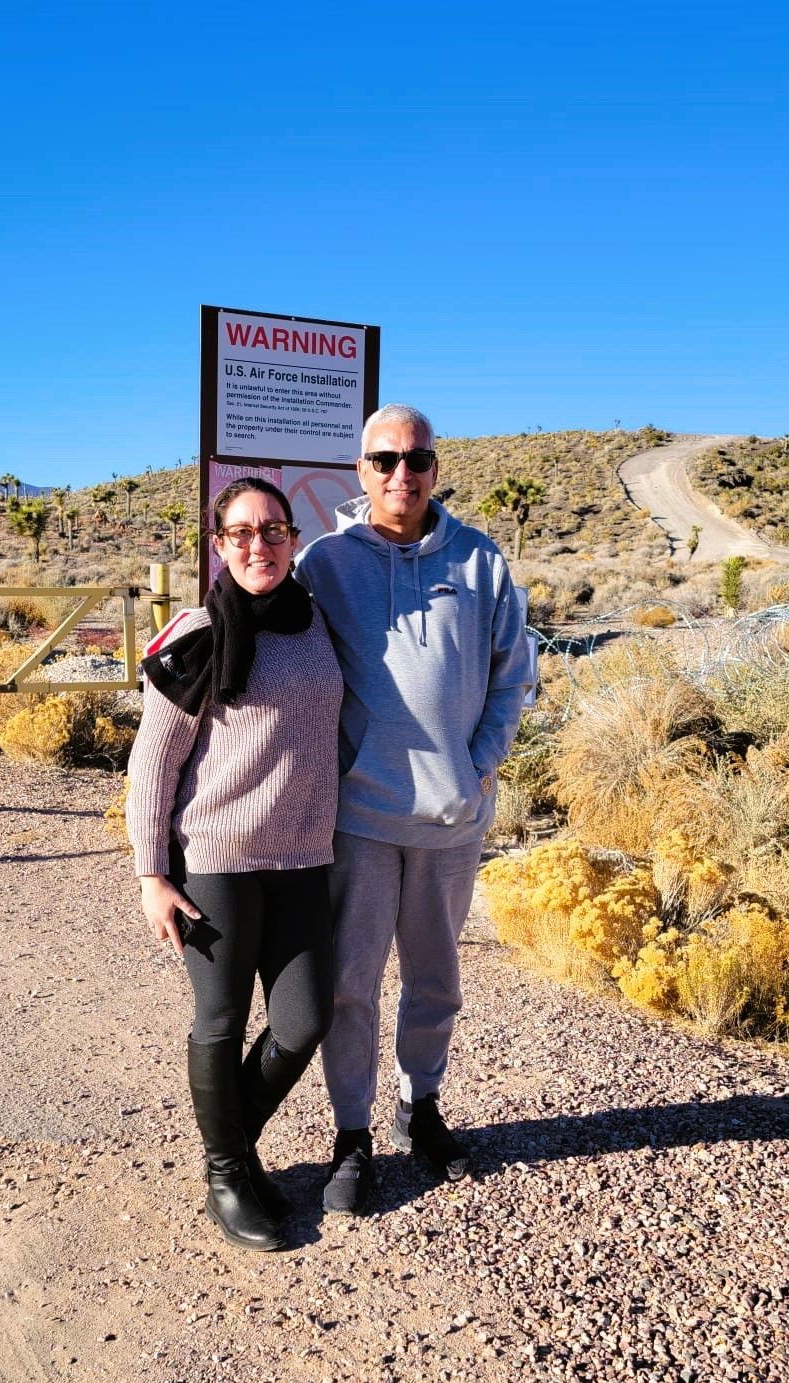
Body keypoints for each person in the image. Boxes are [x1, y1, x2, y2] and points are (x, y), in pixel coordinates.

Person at [295, 403, 532, 1215]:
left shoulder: (479, 561)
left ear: (435, 467)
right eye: (385, 458)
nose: (402, 474)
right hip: (358, 817)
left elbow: (512, 675)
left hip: (451, 819)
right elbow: (280, 655)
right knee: (350, 985)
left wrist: (479, 764)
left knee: (435, 979)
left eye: (417, 459)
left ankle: (418, 1107)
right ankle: (351, 1133)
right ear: (360, 469)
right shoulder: (325, 562)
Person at [127, 477, 343, 1252]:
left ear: (292, 539)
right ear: (219, 545)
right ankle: (227, 1175)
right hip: (214, 860)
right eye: (242, 533)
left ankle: (229, 1148)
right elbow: (152, 763)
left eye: (274, 530)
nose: (260, 546)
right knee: (220, 1021)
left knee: (304, 1020)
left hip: (302, 858)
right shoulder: (196, 633)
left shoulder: (318, 622)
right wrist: (153, 874)